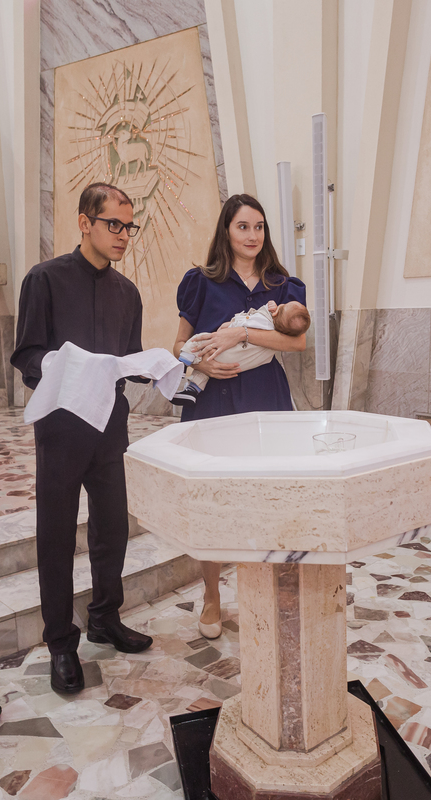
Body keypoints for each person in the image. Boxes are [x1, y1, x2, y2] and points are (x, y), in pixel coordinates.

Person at [11, 182, 153, 695]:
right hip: (62, 429)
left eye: (128, 225)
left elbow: (128, 358)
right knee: (55, 536)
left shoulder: (127, 293)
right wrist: (58, 369)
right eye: (113, 224)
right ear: (84, 222)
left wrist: (159, 368)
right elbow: (26, 355)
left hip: (110, 428)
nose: (122, 235)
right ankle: (61, 644)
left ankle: (104, 618)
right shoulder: (44, 280)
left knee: (113, 528)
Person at [175, 194, 308, 637]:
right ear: (226, 232)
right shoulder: (200, 281)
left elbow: (297, 344)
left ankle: (262, 593)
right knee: (213, 504)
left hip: (263, 398)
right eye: (243, 227)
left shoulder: (283, 285)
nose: (253, 236)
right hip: (212, 402)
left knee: (267, 499)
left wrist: (241, 332)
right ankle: (212, 596)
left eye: (259, 227)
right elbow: (178, 345)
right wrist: (201, 364)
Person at [172, 299, 311, 406]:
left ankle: (181, 367)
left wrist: (238, 331)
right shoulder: (275, 335)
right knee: (202, 374)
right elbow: (178, 342)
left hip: (224, 356)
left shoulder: (264, 318)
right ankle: (192, 390)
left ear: (276, 312)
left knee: (197, 342)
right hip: (235, 368)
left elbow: (299, 343)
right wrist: (201, 366)